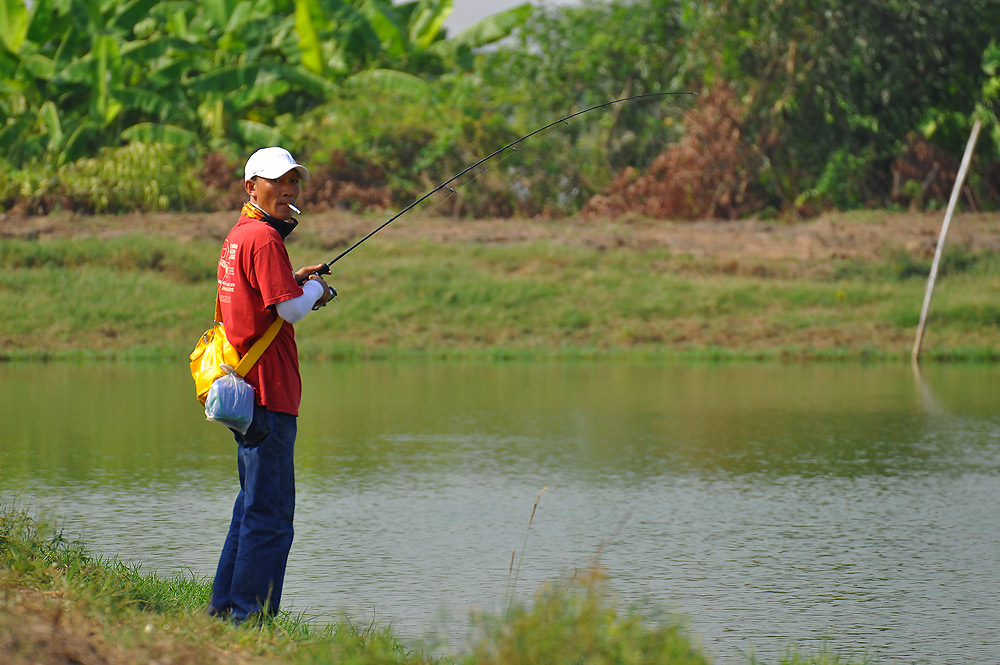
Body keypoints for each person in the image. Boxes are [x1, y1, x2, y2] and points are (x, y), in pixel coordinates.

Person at [207, 146, 335, 623]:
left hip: (248, 395)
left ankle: (224, 613)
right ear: (250, 187)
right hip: (269, 396)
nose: (288, 189)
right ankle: (249, 622)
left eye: (294, 182)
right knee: (271, 519)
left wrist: (295, 278)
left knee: (249, 510)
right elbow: (289, 310)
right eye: (277, 181)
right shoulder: (264, 238)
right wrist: (315, 290)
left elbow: (264, 297)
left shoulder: (239, 235)